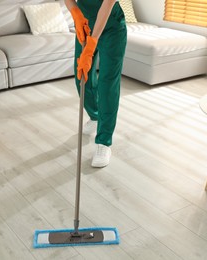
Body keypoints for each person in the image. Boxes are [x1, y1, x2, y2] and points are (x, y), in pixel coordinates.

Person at [65, 0, 127, 167]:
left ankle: (104, 142)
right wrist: (76, 14)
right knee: (81, 78)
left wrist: (92, 43)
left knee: (107, 85)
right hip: (85, 25)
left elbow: (107, 4)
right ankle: (95, 116)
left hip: (112, 29)